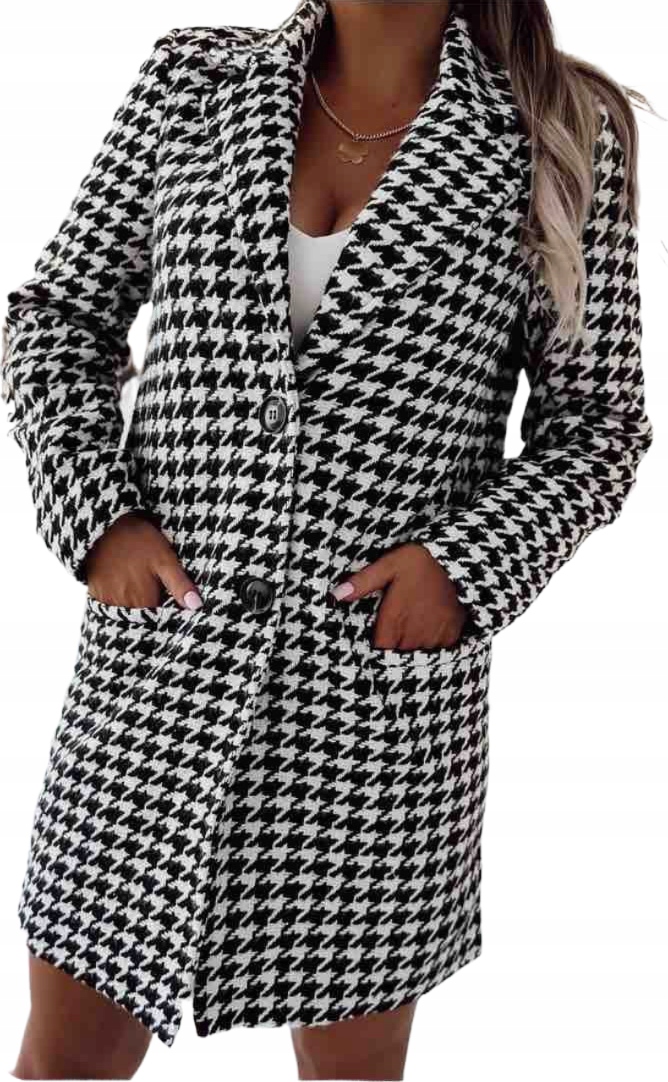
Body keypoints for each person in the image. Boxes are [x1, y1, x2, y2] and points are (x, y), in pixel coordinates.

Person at [2, 0, 654, 1078]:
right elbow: (57, 320)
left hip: (372, 713)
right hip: (154, 684)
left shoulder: (554, 127)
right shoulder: (194, 84)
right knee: (63, 1062)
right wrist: (98, 516)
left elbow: (597, 424)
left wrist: (462, 570)